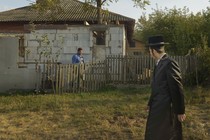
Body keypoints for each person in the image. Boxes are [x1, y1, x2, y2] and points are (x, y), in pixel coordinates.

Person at [145, 35, 186, 140]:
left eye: (150, 51)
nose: (149, 53)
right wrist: (150, 103)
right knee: (155, 133)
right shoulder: (159, 64)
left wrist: (180, 110)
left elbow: (177, 87)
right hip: (157, 105)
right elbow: (156, 87)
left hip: (166, 108)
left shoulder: (170, 63)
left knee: (166, 134)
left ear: (153, 50)